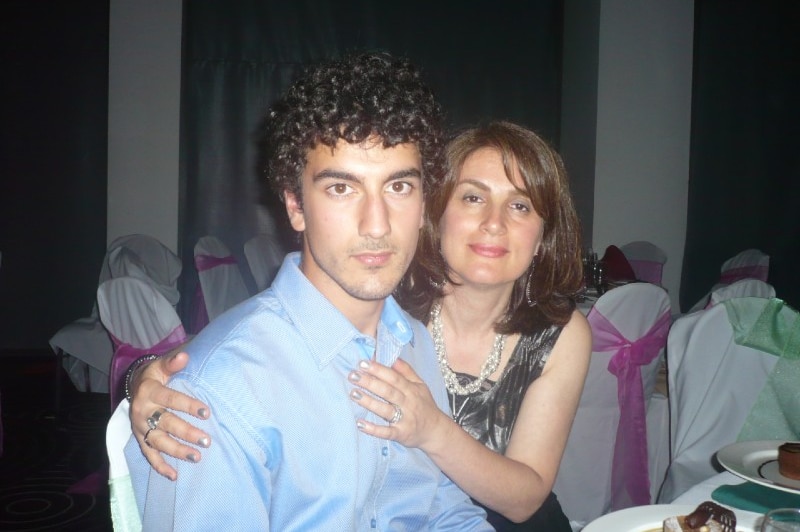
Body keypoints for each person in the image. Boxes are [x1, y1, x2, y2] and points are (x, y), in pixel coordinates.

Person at [130, 121, 592, 530]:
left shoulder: (404, 330)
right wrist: (146, 377)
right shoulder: (388, 289)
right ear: (440, 211)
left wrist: (433, 429)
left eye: (520, 206)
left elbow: (449, 506)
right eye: (473, 197)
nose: (494, 224)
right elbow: (240, 355)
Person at [122, 51, 492, 531]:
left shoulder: (413, 342)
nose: (377, 224)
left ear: (423, 203)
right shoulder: (217, 395)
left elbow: (443, 509)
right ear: (295, 207)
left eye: (398, 187)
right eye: (342, 188)